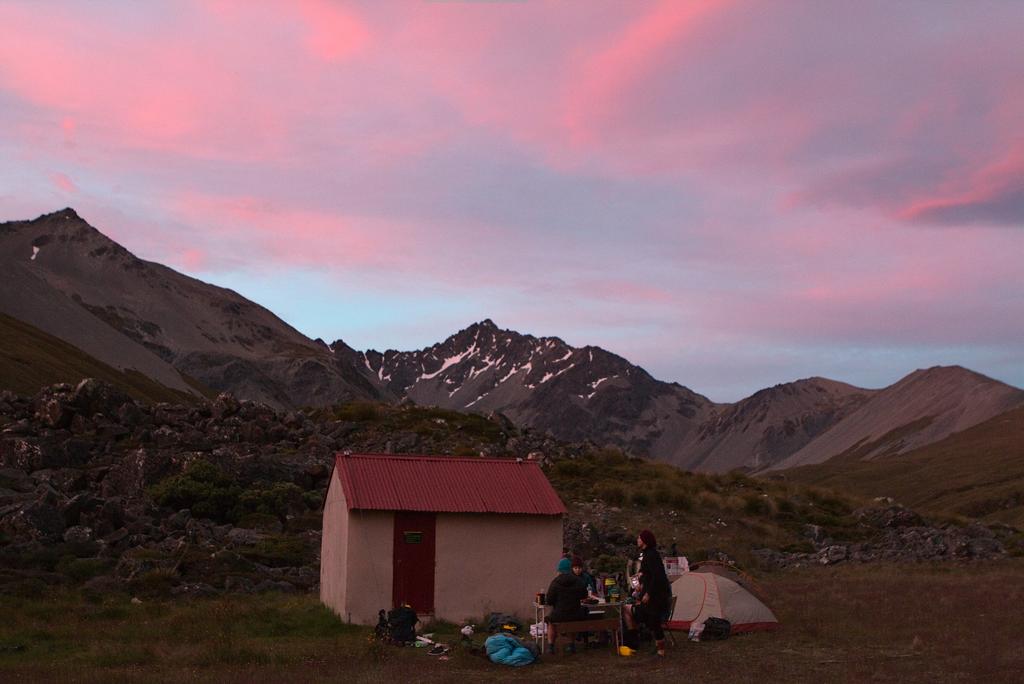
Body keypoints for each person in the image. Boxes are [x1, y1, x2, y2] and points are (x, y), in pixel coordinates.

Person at [623, 529, 672, 656]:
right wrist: (640, 585)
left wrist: (648, 593)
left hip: (655, 599)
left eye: (639, 538)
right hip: (652, 598)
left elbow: (657, 576)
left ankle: (634, 644)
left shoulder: (651, 555)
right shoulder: (647, 555)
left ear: (645, 540)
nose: (637, 540)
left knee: (629, 610)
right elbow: (647, 574)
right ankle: (659, 649)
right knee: (653, 621)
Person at [545, 556, 588, 653]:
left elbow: (550, 600)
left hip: (559, 614)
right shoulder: (578, 581)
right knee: (572, 620)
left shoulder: (555, 582)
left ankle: (550, 646)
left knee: (550, 621)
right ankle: (570, 645)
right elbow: (584, 595)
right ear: (570, 569)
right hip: (576, 613)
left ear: (559, 570)